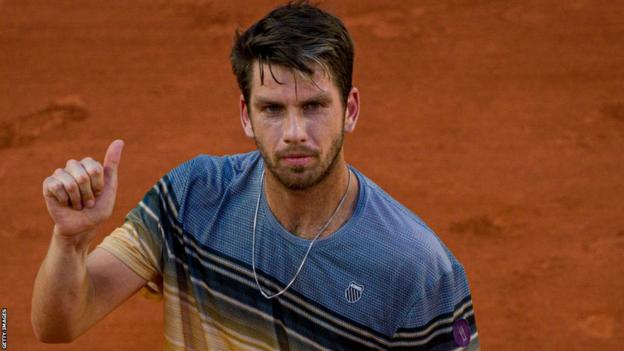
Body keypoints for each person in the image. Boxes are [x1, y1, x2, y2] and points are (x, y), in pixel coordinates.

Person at [32, 1, 479, 350]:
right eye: (272, 109)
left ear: (351, 110)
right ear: (247, 116)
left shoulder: (416, 267)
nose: (295, 133)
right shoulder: (192, 197)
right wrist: (70, 241)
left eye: (314, 106)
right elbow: (58, 324)